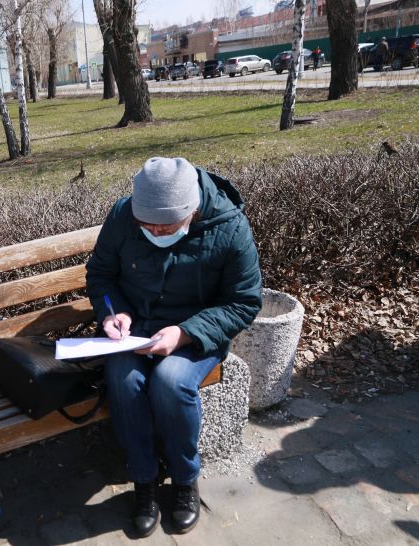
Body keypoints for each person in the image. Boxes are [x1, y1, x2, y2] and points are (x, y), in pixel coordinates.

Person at [85, 157, 262, 537]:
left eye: (164, 226)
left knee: (171, 381)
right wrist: (113, 314)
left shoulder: (230, 227)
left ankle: (184, 480)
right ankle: (144, 479)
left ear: (191, 210)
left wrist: (184, 333)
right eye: (145, 225)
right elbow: (101, 274)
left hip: (197, 331)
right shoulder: (123, 216)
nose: (154, 232)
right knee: (123, 378)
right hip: (136, 330)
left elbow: (244, 302)